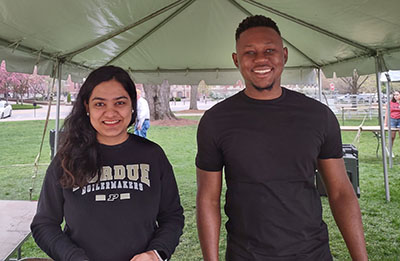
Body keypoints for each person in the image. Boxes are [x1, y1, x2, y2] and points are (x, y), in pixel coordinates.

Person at [196, 15, 367, 260]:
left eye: (269, 50)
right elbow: (207, 200)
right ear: (236, 60)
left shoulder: (318, 116)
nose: (261, 59)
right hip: (246, 255)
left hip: (312, 254)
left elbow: (341, 192)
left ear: (284, 55)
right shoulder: (215, 121)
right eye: (249, 53)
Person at [31, 66, 184, 261]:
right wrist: (72, 257)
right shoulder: (67, 158)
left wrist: (155, 254)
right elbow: (44, 224)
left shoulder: (153, 155)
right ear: (87, 107)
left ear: (132, 105)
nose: (110, 113)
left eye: (120, 102)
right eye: (100, 104)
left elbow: (172, 216)